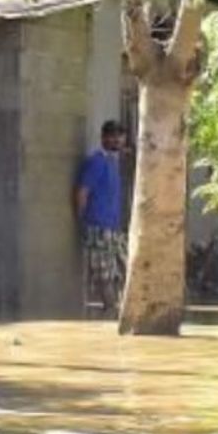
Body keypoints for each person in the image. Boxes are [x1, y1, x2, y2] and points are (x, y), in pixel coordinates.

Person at [75, 120, 128, 314]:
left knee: (123, 269)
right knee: (104, 273)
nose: (118, 140)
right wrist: (82, 221)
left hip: (113, 227)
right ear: (103, 138)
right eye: (113, 136)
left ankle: (118, 310)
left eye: (120, 136)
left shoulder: (112, 162)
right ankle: (111, 311)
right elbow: (82, 192)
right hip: (97, 226)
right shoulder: (96, 161)